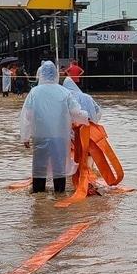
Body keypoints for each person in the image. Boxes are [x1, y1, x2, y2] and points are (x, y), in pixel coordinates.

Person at [20, 61, 88, 193]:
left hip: (40, 135)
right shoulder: (64, 92)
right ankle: (59, 195)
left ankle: (39, 197)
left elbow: (27, 115)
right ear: (56, 75)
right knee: (59, 166)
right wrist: (86, 118)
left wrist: (25, 136)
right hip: (60, 136)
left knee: (39, 166)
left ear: (41, 75)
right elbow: (75, 112)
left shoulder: (34, 92)